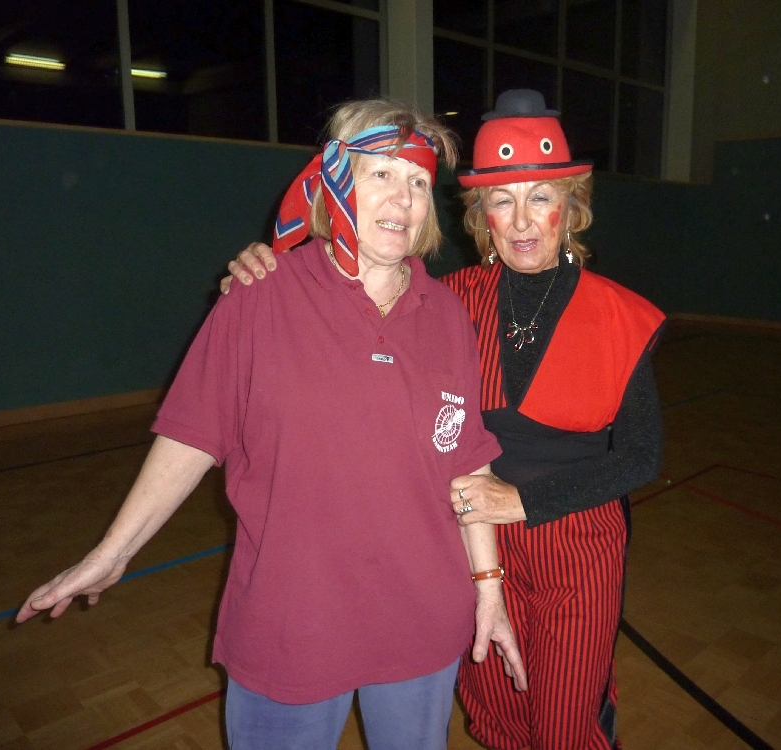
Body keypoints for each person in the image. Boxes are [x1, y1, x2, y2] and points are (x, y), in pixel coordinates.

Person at [16, 98, 526, 750]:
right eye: (381, 174)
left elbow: (467, 463)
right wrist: (110, 553)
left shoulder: (447, 313)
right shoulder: (262, 294)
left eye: (419, 183)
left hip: (422, 623)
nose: (403, 199)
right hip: (292, 624)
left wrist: (489, 592)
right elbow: (192, 434)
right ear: (334, 180)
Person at [226, 89, 665, 750]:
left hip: (577, 543)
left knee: (567, 720)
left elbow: (641, 456)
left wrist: (524, 501)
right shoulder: (449, 302)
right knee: (495, 708)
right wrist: (262, 270)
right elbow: (349, 286)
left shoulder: (620, 316)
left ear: (571, 207)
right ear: (481, 216)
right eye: (502, 201)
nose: (522, 221)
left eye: (541, 197)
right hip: (468, 542)